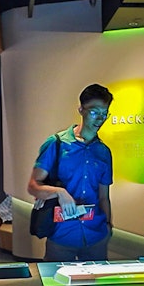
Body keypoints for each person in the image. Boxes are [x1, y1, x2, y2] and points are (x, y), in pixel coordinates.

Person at [27, 84, 114, 261]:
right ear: (81, 110)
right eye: (94, 112)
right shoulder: (56, 144)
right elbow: (33, 186)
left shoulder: (104, 152)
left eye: (104, 113)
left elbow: (104, 196)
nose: (100, 119)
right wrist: (59, 193)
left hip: (96, 235)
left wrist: (108, 226)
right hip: (61, 234)